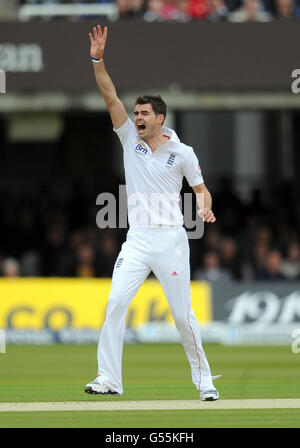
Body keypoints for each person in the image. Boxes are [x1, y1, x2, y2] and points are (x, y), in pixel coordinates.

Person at [85, 25, 220, 401]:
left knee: (182, 317)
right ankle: (108, 378)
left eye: (143, 113)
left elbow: (201, 190)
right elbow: (109, 95)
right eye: (135, 113)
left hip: (172, 239)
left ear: (160, 118)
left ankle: (204, 381)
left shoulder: (183, 152)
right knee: (115, 304)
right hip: (138, 239)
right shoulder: (130, 137)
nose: (136, 117)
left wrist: (205, 210)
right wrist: (97, 59)